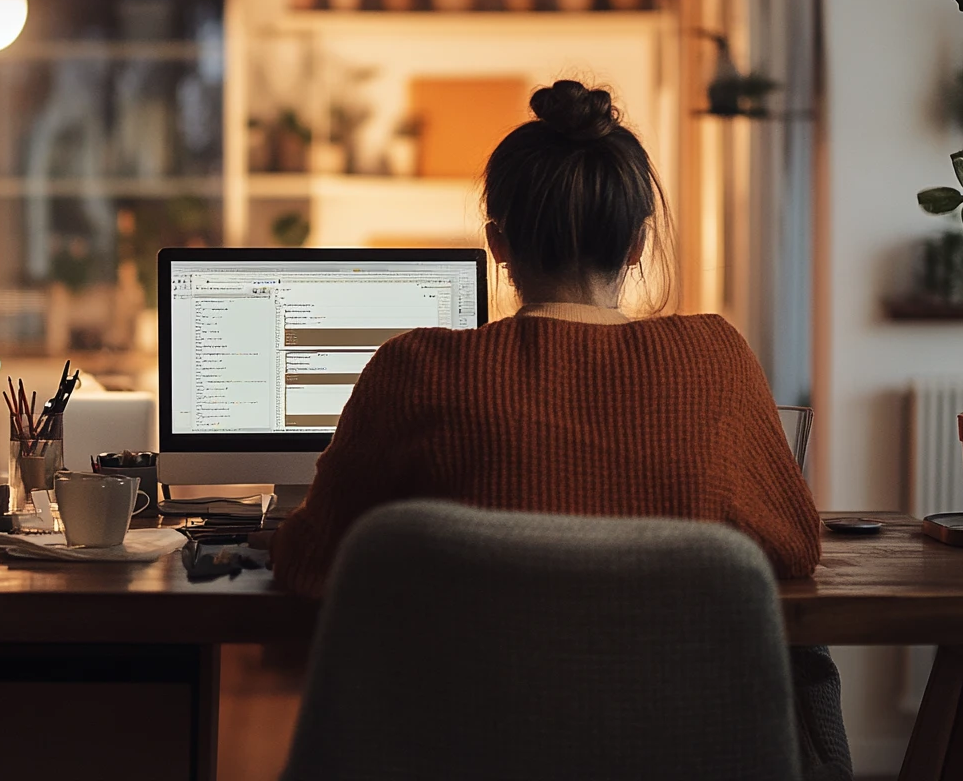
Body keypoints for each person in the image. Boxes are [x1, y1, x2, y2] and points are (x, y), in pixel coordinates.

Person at [270, 79, 848, 780]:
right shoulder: (716, 359)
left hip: (466, 758)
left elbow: (310, 565)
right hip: (675, 757)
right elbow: (793, 544)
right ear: (638, 244)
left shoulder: (411, 371)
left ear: (498, 245)